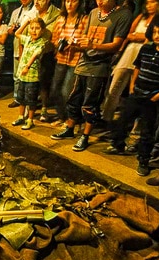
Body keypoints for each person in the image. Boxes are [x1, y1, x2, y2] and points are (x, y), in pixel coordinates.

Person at [50, 0, 132, 152]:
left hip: (100, 65)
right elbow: (86, 37)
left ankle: (85, 136)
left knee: (90, 102)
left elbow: (116, 44)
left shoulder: (123, 14)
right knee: (73, 98)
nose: (100, 1)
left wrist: (92, 45)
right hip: (83, 62)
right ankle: (70, 128)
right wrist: (76, 44)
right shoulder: (94, 12)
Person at [103, 14, 159, 176]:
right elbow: (137, 67)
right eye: (155, 32)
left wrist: (157, 96)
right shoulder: (147, 48)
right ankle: (118, 144)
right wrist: (132, 86)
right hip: (137, 92)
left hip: (152, 98)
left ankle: (143, 160)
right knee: (123, 119)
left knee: (147, 131)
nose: (157, 36)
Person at [102, 0, 159, 124]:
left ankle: (135, 125)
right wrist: (139, 36)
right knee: (115, 84)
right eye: (147, 3)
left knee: (137, 89)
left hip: (146, 55)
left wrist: (139, 36)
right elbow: (128, 34)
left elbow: (151, 37)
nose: (149, 6)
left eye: (152, 2)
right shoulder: (141, 16)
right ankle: (106, 118)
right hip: (130, 52)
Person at [50, 0, 88, 127]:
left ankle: (71, 120)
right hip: (61, 58)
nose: (70, 4)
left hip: (75, 60)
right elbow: (54, 39)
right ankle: (62, 116)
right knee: (55, 90)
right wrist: (61, 44)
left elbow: (87, 42)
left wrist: (75, 44)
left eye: (73, 1)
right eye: (67, 1)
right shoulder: (61, 19)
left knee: (67, 92)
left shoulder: (84, 19)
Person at [11, 17, 47, 130]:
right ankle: (21, 117)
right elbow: (16, 33)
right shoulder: (27, 39)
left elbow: (35, 54)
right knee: (21, 97)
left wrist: (27, 66)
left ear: (42, 30)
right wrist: (26, 22)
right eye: (32, 28)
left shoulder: (42, 43)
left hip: (32, 76)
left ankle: (30, 120)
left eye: (37, 28)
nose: (34, 31)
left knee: (31, 99)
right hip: (22, 75)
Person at [33, 0, 60, 122]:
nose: (37, 2)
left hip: (48, 55)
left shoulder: (57, 14)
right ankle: (31, 110)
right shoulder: (34, 14)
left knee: (45, 83)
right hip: (33, 54)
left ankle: (45, 109)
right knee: (33, 83)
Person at [7, 0, 35, 108]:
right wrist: (13, 28)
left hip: (31, 47)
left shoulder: (34, 11)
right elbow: (9, 31)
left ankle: (29, 100)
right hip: (17, 45)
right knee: (17, 74)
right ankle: (17, 98)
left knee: (30, 75)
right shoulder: (15, 12)